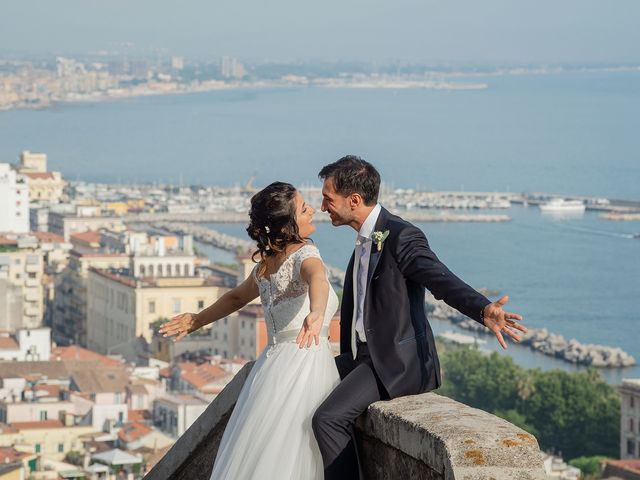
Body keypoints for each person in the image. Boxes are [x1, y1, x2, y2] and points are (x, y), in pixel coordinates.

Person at [312, 155, 528, 479]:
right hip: (360, 356)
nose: (322, 206)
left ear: (354, 200)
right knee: (304, 386)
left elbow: (439, 279)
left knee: (327, 418)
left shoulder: (400, 235)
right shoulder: (363, 240)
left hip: (393, 362)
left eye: (328, 199)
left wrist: (483, 309)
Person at [159, 181, 340, 479]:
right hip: (305, 365)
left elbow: (236, 298)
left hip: (272, 367)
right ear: (286, 226)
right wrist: (317, 312)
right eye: (305, 208)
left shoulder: (267, 264)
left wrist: (197, 320)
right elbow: (317, 277)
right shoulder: (305, 252)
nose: (313, 211)